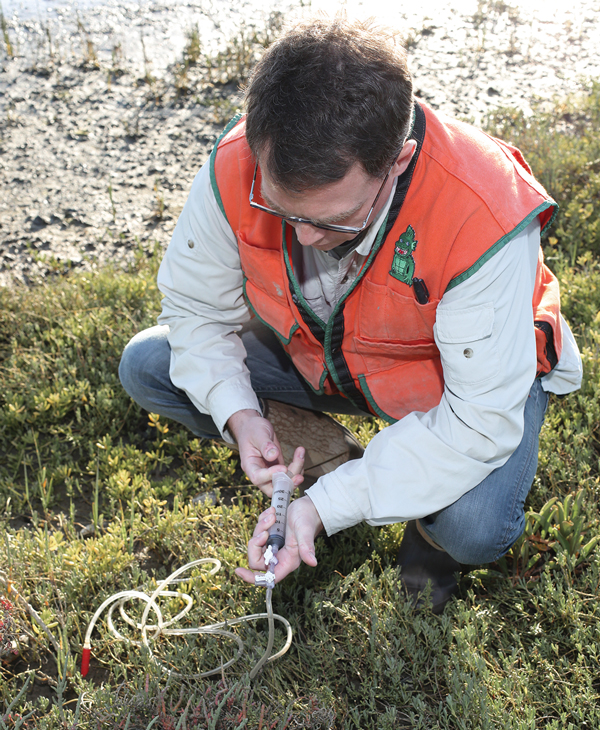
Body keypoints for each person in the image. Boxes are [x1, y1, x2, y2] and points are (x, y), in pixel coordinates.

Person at [119, 17, 582, 611]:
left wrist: (321, 510)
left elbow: (476, 424)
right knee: (150, 364)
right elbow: (195, 313)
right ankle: (339, 464)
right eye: (281, 209)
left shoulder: (482, 213)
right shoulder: (237, 163)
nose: (306, 237)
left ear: (398, 159)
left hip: (455, 392)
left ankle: (422, 530)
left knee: (474, 525)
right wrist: (238, 415)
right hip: (322, 359)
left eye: (334, 219)